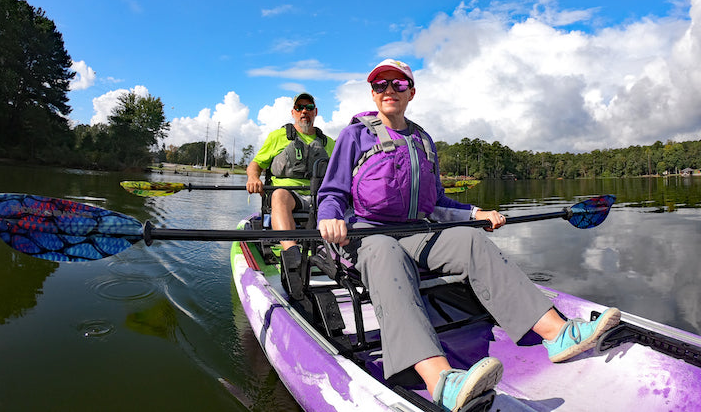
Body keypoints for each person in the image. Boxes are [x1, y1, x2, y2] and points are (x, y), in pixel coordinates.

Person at [317, 59, 621, 412]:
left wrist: (477, 214)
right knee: (387, 252)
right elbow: (332, 193)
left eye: (398, 85)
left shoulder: (422, 140)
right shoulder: (355, 135)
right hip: (368, 236)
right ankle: (442, 381)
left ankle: (558, 334)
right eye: (381, 85)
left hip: (417, 232)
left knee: (469, 239)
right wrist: (329, 218)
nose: (389, 91)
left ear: (411, 92)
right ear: (372, 92)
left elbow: (438, 202)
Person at [246, 93, 335, 296]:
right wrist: (253, 178)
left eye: (309, 107)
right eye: (300, 107)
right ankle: (292, 255)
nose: (305, 111)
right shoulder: (277, 137)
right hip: (289, 196)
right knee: (279, 196)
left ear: (315, 112)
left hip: (318, 198)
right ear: (293, 112)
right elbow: (255, 165)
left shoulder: (329, 143)